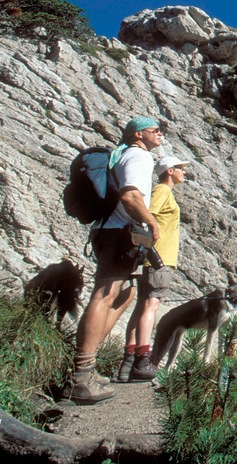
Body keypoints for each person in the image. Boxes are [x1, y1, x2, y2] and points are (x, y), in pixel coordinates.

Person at [66, 116, 164, 405]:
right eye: (155, 129)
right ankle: (81, 376)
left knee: (124, 293)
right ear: (137, 134)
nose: (161, 133)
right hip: (119, 234)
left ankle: (88, 367)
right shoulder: (138, 156)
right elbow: (131, 195)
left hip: (108, 231)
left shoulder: (123, 155)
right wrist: (152, 224)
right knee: (105, 295)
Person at [117, 154, 190, 382]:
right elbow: (146, 217)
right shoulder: (162, 191)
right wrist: (153, 237)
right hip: (159, 258)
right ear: (169, 171)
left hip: (154, 257)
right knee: (150, 305)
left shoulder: (162, 191)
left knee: (141, 307)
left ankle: (128, 362)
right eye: (180, 168)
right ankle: (142, 359)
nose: (184, 172)